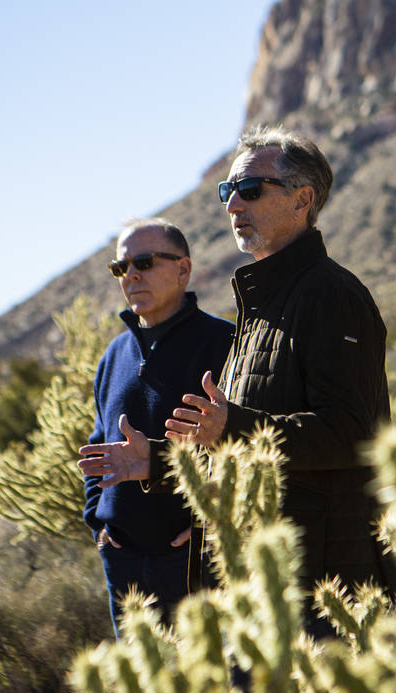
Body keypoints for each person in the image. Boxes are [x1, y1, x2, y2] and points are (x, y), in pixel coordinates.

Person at [81, 126, 396, 635]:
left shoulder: (331, 295)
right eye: (227, 192)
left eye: (250, 190)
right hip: (260, 580)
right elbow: (236, 440)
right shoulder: (260, 309)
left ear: (302, 200)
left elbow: (353, 432)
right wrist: (159, 462)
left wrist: (233, 424)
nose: (233, 206)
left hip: (321, 581)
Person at [79, 217, 234, 638]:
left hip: (191, 555)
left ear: (183, 269)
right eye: (120, 267)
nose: (131, 275)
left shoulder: (226, 344)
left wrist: (209, 529)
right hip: (123, 558)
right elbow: (98, 444)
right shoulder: (114, 355)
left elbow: (246, 445)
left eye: (144, 262)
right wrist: (98, 521)